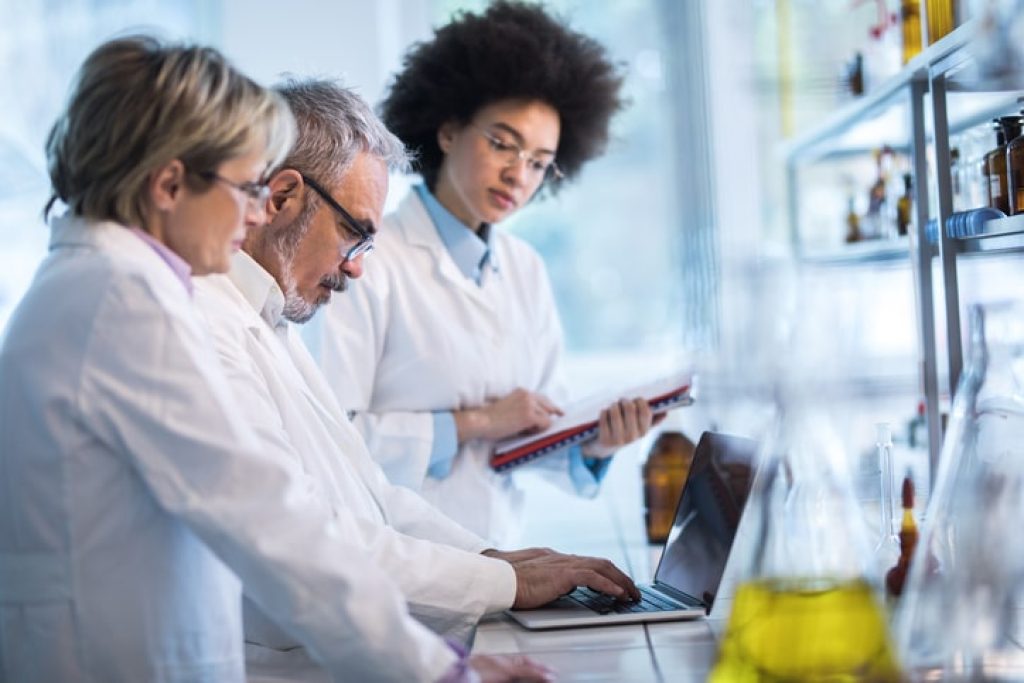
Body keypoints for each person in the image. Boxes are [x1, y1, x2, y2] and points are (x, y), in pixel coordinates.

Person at [0, 36, 552, 683]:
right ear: (170, 183)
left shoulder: (104, 287)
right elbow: (271, 522)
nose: (259, 210)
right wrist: (444, 670)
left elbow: (347, 501)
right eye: (246, 186)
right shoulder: (124, 300)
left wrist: (485, 593)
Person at [191, 78, 640, 656]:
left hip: (414, 596)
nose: (356, 270)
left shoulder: (271, 315)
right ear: (280, 198)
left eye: (538, 162)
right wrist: (499, 578)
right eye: (353, 233)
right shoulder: (217, 318)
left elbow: (370, 495)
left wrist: (493, 562)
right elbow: (296, 535)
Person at [310, 1, 657, 546]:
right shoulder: (365, 260)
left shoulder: (525, 269)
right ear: (448, 130)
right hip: (397, 570)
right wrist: (474, 423)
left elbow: (531, 435)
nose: (519, 175)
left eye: (540, 162)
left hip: (501, 565)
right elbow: (328, 440)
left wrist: (596, 444)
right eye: (502, 143)